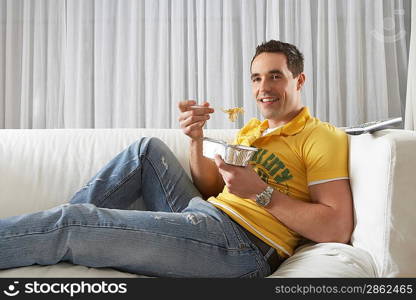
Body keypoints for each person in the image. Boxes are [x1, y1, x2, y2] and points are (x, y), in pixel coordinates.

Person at [0, 40, 353, 278]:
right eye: (257, 78)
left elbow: (336, 228)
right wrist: (196, 141)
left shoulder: (321, 136)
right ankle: (50, 232)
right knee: (147, 150)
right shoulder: (253, 130)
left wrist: (261, 193)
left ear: (299, 80)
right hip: (208, 216)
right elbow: (210, 187)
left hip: (242, 247)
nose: (264, 87)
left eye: (275, 76)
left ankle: (60, 229)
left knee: (73, 221)